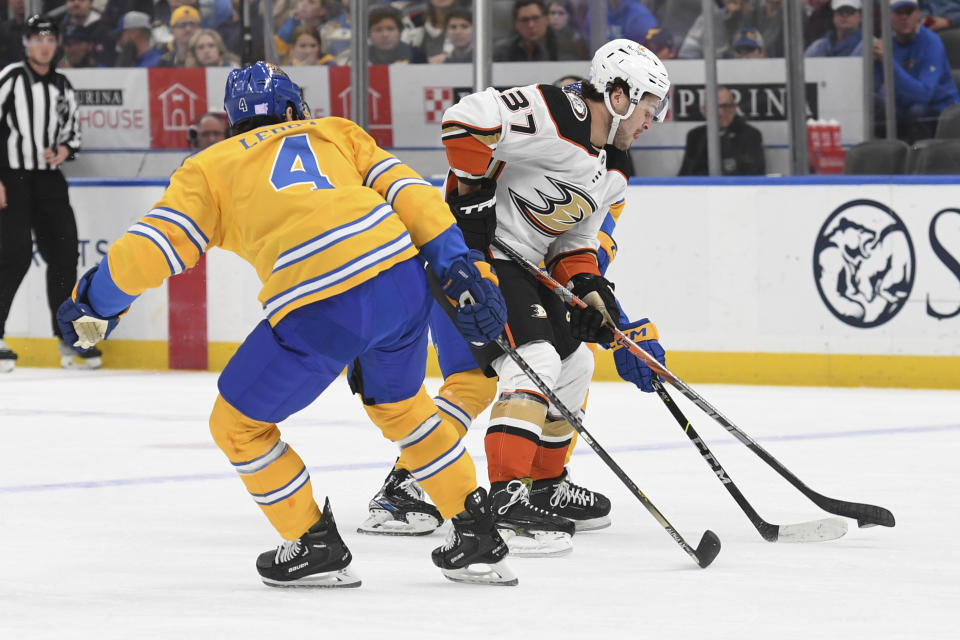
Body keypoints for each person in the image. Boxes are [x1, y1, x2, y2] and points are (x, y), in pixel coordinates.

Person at [55, 61, 517, 587]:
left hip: (321, 304)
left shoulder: (210, 167)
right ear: (295, 109)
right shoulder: (335, 131)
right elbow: (412, 192)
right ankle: (478, 533)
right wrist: (457, 260)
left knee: (237, 427)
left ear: (231, 124)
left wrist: (95, 301)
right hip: (401, 282)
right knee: (402, 407)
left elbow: (151, 249)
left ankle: (314, 543)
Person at [358, 40, 670, 556]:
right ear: (617, 96)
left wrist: (592, 296)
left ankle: (542, 484)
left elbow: (575, 244)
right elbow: (463, 123)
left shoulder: (613, 170)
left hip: (525, 266)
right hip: (470, 259)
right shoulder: (558, 112)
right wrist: (476, 201)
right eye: (649, 107)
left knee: (575, 364)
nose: (652, 121)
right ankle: (502, 498)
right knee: (528, 363)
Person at [0, 16, 87, 373]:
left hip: (50, 180)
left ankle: (68, 338)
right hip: (12, 177)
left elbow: (74, 132)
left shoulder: (63, 85)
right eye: (37, 38)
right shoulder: (10, 78)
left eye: (49, 38)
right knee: (14, 256)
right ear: (26, 43)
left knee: (65, 256)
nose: (44, 44)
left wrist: (65, 149)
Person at [874, 0, 960, 142]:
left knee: (917, 111)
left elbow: (924, 95)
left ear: (918, 14)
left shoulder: (932, 42)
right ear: (889, 16)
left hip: (939, 108)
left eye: (909, 11)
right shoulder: (886, 43)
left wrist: (888, 62)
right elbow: (876, 87)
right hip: (904, 107)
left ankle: (922, 159)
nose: (904, 17)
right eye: (898, 12)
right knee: (877, 112)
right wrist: (874, 63)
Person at [678, 86, 766, 175]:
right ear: (704, 111)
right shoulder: (695, 136)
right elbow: (685, 175)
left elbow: (754, 175)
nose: (721, 113)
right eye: (714, 107)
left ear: (734, 108)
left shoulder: (750, 135)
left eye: (726, 106)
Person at [493, 0, 576, 62]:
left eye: (536, 18)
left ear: (546, 19)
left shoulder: (563, 46)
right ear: (516, 24)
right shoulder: (503, 52)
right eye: (525, 20)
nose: (531, 25)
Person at [57, 0, 115, 66]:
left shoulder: (105, 28)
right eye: (72, 0)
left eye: (81, 0)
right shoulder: (60, 28)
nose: (76, 3)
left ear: (91, 3)